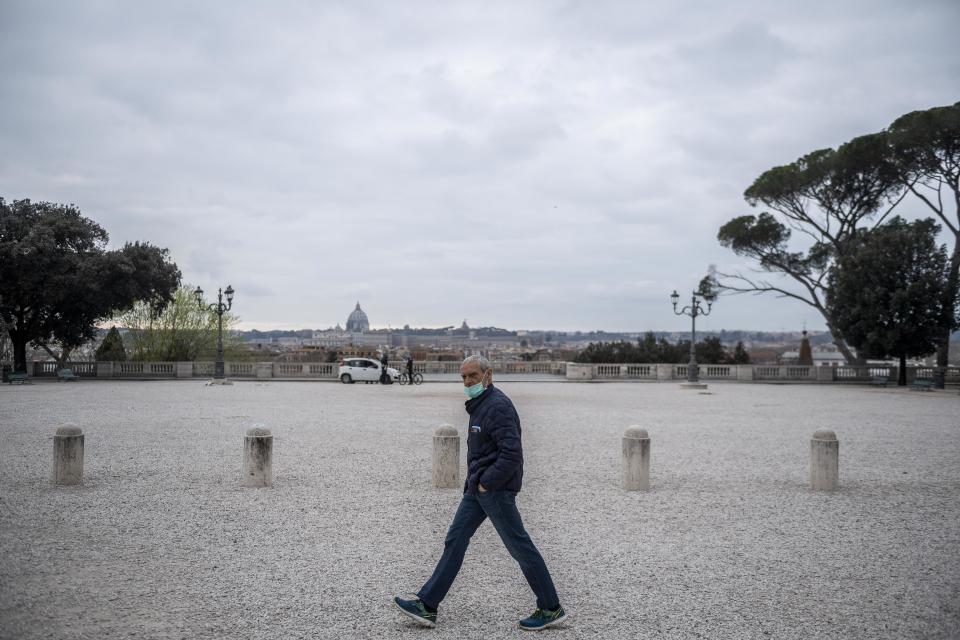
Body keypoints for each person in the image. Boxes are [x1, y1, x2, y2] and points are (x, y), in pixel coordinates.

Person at [393, 355, 566, 631]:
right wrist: (476, 484)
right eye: (463, 377)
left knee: (519, 546)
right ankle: (427, 604)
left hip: (494, 491)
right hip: (477, 490)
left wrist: (487, 482)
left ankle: (550, 607)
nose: (467, 381)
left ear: (488, 375)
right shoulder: (480, 405)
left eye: (472, 375)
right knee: (455, 539)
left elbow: (512, 454)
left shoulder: (498, 406)